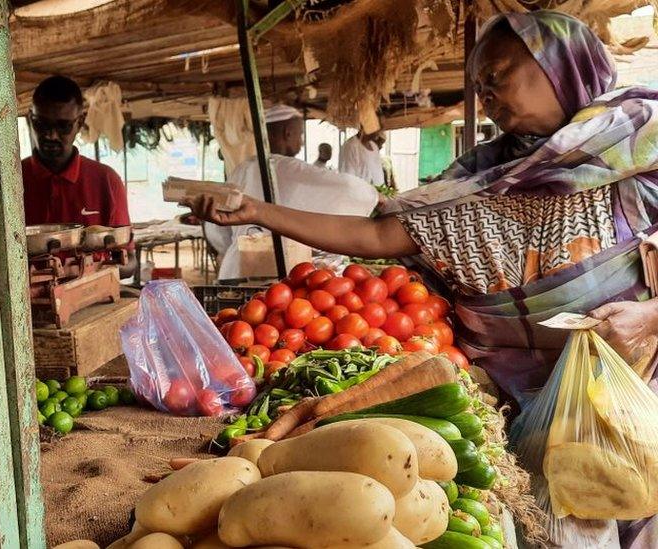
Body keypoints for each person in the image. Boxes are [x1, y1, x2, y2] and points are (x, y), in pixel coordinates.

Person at [189, 11, 658, 546]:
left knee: (639, 512)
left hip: (633, 392)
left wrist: (648, 316)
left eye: (498, 77)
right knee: (559, 527)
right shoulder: (480, 180)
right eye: (480, 85)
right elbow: (378, 237)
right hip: (524, 406)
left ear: (561, 68)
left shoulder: (642, 151)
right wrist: (259, 212)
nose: (487, 95)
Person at [204, 104, 378, 281]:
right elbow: (350, 189)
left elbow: (217, 230)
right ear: (287, 133)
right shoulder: (292, 169)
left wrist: (236, 247)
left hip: (236, 271)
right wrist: (375, 196)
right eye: (300, 134)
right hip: (278, 273)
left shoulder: (242, 169)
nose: (301, 141)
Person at [21, 75, 137, 278]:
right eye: (42, 124)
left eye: (63, 126)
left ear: (80, 122)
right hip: (26, 306)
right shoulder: (11, 181)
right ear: (31, 119)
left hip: (92, 303)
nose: (51, 135)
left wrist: (91, 272)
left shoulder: (106, 181)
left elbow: (130, 262)